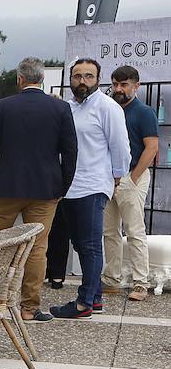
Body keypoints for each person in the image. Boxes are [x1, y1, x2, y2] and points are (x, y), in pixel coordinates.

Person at [0, 57, 79, 324]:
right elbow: (70, 152)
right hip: (46, 188)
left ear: (19, 79)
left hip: (6, 186)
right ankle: (29, 306)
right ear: (42, 78)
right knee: (37, 248)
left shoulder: (1, 107)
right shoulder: (60, 108)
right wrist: (63, 186)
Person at [50, 58, 130, 319]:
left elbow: (120, 146)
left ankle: (84, 302)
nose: (82, 81)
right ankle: (94, 299)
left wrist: (117, 176)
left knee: (91, 245)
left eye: (88, 76)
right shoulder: (68, 108)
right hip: (69, 186)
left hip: (94, 184)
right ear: (70, 79)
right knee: (81, 244)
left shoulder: (107, 107)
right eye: (77, 76)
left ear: (98, 79)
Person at [104, 65, 160, 302]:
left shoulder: (144, 112)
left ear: (136, 86)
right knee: (109, 231)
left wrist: (134, 177)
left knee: (135, 231)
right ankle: (112, 279)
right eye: (115, 84)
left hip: (131, 175)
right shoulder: (109, 109)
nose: (119, 89)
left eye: (124, 84)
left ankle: (140, 283)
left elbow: (152, 147)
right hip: (108, 177)